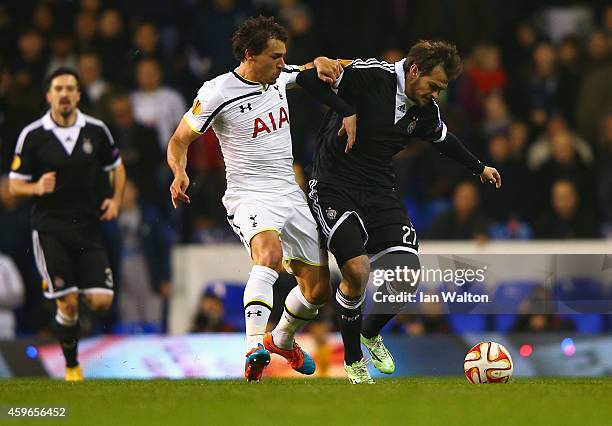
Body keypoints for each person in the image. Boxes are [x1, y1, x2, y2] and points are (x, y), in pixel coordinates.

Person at [297, 40, 501, 383]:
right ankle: (352, 360)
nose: (435, 94)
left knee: (407, 275)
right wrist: (346, 110)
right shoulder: (371, 76)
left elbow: (443, 139)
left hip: (379, 191)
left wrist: (479, 168)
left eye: (442, 89)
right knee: (357, 272)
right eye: (433, 85)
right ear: (414, 70)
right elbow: (307, 81)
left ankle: (369, 332)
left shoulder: (425, 111)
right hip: (334, 185)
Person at [167, 16, 341, 381]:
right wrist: (179, 171)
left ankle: (280, 339)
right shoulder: (216, 92)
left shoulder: (278, 77)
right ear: (250, 55)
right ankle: (252, 347)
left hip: (289, 195)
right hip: (249, 195)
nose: (281, 63)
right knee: (269, 256)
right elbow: (179, 140)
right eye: (275, 56)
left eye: (283, 56)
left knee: (318, 290)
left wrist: (320, 63)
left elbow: (304, 70)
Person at [8, 67, 125, 381]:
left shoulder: (96, 130)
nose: (64, 94)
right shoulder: (33, 135)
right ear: (48, 95)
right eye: (58, 88)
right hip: (50, 229)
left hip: (88, 227)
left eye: (70, 88)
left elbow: (117, 166)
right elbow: (14, 184)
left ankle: (70, 312)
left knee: (100, 301)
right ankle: (72, 366)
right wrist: (35, 187)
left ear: (78, 94)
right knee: (69, 303)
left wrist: (115, 200)